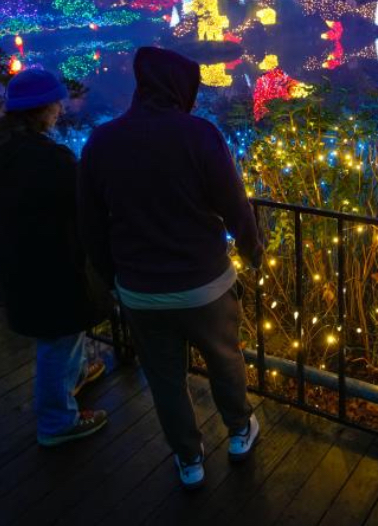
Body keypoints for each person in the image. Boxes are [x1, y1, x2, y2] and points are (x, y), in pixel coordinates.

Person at [78, 46, 263, 490]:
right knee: (224, 360)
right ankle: (239, 432)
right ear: (181, 89)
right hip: (204, 284)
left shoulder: (102, 142)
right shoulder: (198, 135)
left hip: (141, 289)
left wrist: (113, 277)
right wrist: (252, 247)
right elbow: (233, 203)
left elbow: (90, 223)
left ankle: (189, 459)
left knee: (164, 378)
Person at [0, 68, 108, 447]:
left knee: (63, 330)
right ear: (42, 108)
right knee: (57, 336)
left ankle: (76, 375)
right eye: (56, 104)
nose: (60, 110)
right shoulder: (47, 159)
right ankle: (56, 421)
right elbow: (84, 202)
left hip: (18, 257)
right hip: (52, 261)